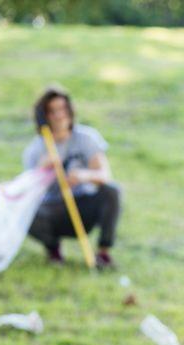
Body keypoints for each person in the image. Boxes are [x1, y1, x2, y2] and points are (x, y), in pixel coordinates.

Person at [23, 87, 120, 268]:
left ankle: (103, 253)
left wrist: (85, 176)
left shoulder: (86, 138)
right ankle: (53, 249)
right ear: (44, 115)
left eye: (63, 109)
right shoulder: (35, 150)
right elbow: (29, 191)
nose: (59, 115)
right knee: (25, 211)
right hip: (54, 209)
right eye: (53, 111)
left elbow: (105, 175)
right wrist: (41, 170)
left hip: (84, 204)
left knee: (112, 191)